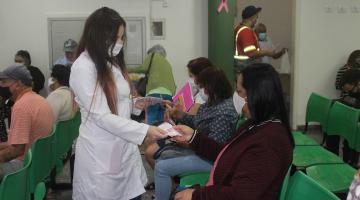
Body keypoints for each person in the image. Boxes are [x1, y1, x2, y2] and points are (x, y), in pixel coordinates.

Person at [69, 7, 167, 200]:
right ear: (99, 36)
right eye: (117, 37)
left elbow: (118, 99)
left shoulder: (110, 63)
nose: (120, 43)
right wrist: (145, 131)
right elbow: (101, 115)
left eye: (122, 38)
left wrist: (135, 104)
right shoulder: (83, 67)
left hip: (122, 147)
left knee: (130, 192)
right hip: (101, 152)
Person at [173, 63, 294, 200]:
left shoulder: (270, 141)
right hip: (220, 187)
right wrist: (193, 137)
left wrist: (196, 195)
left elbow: (240, 195)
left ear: (256, 95)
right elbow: (227, 153)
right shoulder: (255, 124)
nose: (236, 96)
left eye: (240, 91)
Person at [153, 68, 238, 200]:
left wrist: (189, 140)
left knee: (161, 168)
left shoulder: (224, 111)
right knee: (160, 158)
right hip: (201, 152)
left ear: (211, 86)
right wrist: (179, 115)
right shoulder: (211, 104)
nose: (200, 91)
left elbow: (214, 148)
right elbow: (196, 121)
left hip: (212, 160)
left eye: (202, 87)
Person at [0, 65, 54, 180]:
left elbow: (17, 150)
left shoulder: (21, 106)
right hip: (41, 163)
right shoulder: (40, 100)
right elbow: (20, 142)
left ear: (18, 84)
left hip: (25, 166)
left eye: (4, 82)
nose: (1, 86)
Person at [128, 44, 176, 125]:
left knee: (151, 120)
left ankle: (151, 137)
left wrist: (124, 69)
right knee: (162, 122)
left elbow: (142, 68)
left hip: (154, 94)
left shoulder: (153, 55)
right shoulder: (168, 63)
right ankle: (161, 137)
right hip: (168, 95)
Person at [234, 5, 284, 71]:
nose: (256, 20)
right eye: (256, 17)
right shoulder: (246, 31)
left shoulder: (239, 28)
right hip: (246, 68)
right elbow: (251, 53)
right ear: (252, 18)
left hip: (243, 67)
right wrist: (267, 53)